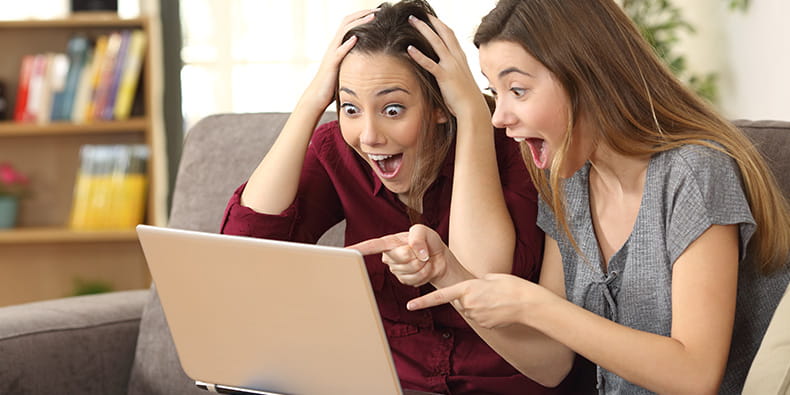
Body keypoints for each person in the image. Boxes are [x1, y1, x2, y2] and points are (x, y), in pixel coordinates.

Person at [350, 0, 790, 394]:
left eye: (517, 90)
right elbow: (551, 364)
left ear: (586, 77)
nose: (500, 117)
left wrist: (535, 305)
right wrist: (450, 273)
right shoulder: (568, 183)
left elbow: (695, 376)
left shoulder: (692, 172)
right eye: (495, 91)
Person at [220, 1, 591, 393]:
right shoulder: (339, 151)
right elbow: (244, 252)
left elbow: (477, 278)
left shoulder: (519, 150)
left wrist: (471, 114)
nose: (369, 136)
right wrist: (312, 100)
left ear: (439, 106)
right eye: (350, 108)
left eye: (392, 109)